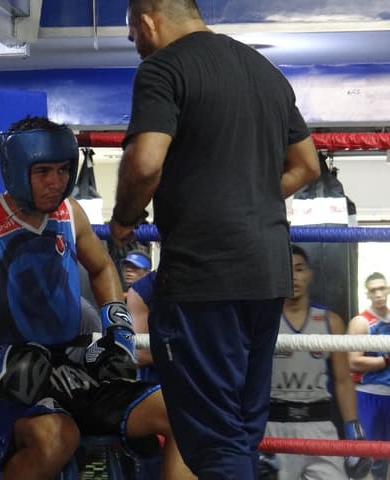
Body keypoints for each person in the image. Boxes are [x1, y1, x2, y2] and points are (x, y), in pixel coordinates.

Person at [109, 1, 321, 478]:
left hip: (205, 277)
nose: (132, 43)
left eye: (131, 32)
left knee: (212, 438)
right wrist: (246, 200)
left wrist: (124, 218)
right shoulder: (264, 70)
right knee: (241, 429)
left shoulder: (163, 68)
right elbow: (307, 165)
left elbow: (144, 163)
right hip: (267, 275)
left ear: (147, 21)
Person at [0, 115, 194, 480]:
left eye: (62, 170)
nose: (55, 182)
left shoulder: (70, 212)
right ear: (16, 168)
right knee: (57, 438)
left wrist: (117, 327)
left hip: (75, 367)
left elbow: (103, 268)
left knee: (186, 413)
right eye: (43, 171)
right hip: (9, 378)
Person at [265, 245, 371, 479]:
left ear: (310, 274)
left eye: (299, 269)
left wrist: (354, 430)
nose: (293, 276)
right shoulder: (264, 322)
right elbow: (250, 380)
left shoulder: (329, 322)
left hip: (319, 426)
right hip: (273, 424)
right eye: (286, 269)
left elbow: (343, 381)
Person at [348, 272, 390, 480]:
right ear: (367, 293)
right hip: (368, 395)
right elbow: (353, 362)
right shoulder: (361, 322)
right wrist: (386, 361)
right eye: (374, 290)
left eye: (383, 288)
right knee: (368, 456)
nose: (379, 293)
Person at [127, 270, 158, 383]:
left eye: (135, 267)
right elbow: (140, 353)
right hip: (158, 384)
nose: (129, 270)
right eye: (127, 266)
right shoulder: (143, 289)